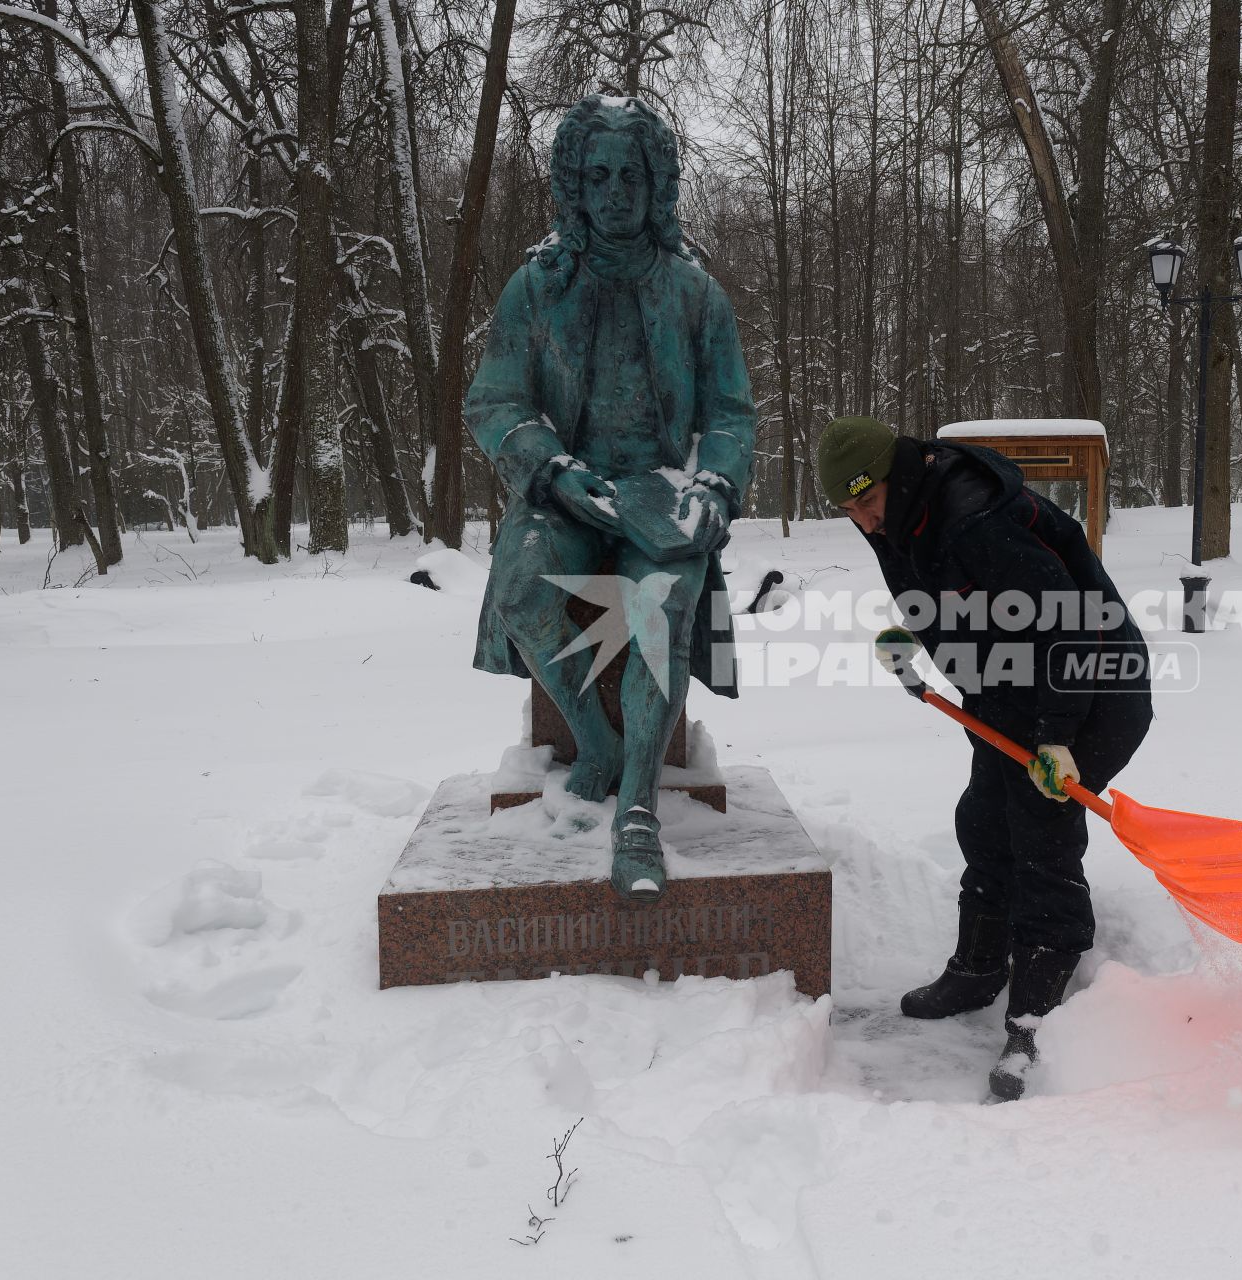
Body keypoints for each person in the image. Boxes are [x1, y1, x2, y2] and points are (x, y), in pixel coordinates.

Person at [464, 95, 756, 902]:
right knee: (520, 587)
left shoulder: (696, 294)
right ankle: (592, 741)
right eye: (599, 174)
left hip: (662, 494)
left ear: (657, 183)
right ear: (576, 185)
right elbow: (494, 401)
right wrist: (550, 471)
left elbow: (730, 415)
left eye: (634, 173)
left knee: (658, 608)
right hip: (565, 488)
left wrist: (716, 487)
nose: (617, 189)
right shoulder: (537, 287)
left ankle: (637, 811)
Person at [817, 416, 1152, 1100]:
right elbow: (939, 596)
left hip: (1090, 690)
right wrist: (921, 660)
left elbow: (1070, 620)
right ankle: (977, 969)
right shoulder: (897, 514)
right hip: (1004, 691)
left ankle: (1038, 1023)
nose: (863, 521)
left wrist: (1058, 733)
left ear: (895, 477)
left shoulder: (974, 517)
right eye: (848, 510)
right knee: (982, 819)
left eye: (866, 502)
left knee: (1039, 837)